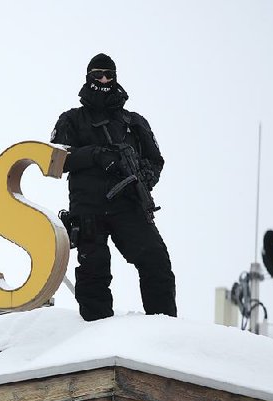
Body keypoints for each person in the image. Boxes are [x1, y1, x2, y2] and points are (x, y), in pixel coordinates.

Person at [50, 53, 176, 321]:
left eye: (108, 74)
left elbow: (156, 160)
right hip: (89, 209)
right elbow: (57, 161)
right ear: (89, 78)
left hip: (128, 204)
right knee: (94, 271)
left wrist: (142, 179)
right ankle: (96, 334)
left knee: (156, 262)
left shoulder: (134, 122)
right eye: (98, 75)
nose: (104, 79)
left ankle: (164, 330)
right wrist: (96, 155)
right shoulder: (72, 120)